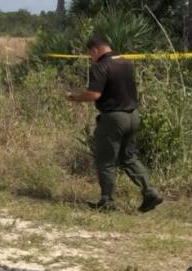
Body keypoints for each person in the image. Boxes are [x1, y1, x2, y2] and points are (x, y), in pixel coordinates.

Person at [66, 37, 163, 213]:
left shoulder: (101, 66)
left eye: (90, 54)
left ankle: (107, 201)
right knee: (129, 158)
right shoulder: (126, 62)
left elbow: (94, 94)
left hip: (113, 118)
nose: (91, 57)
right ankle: (150, 192)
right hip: (133, 116)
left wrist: (75, 97)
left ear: (95, 50)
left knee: (106, 161)